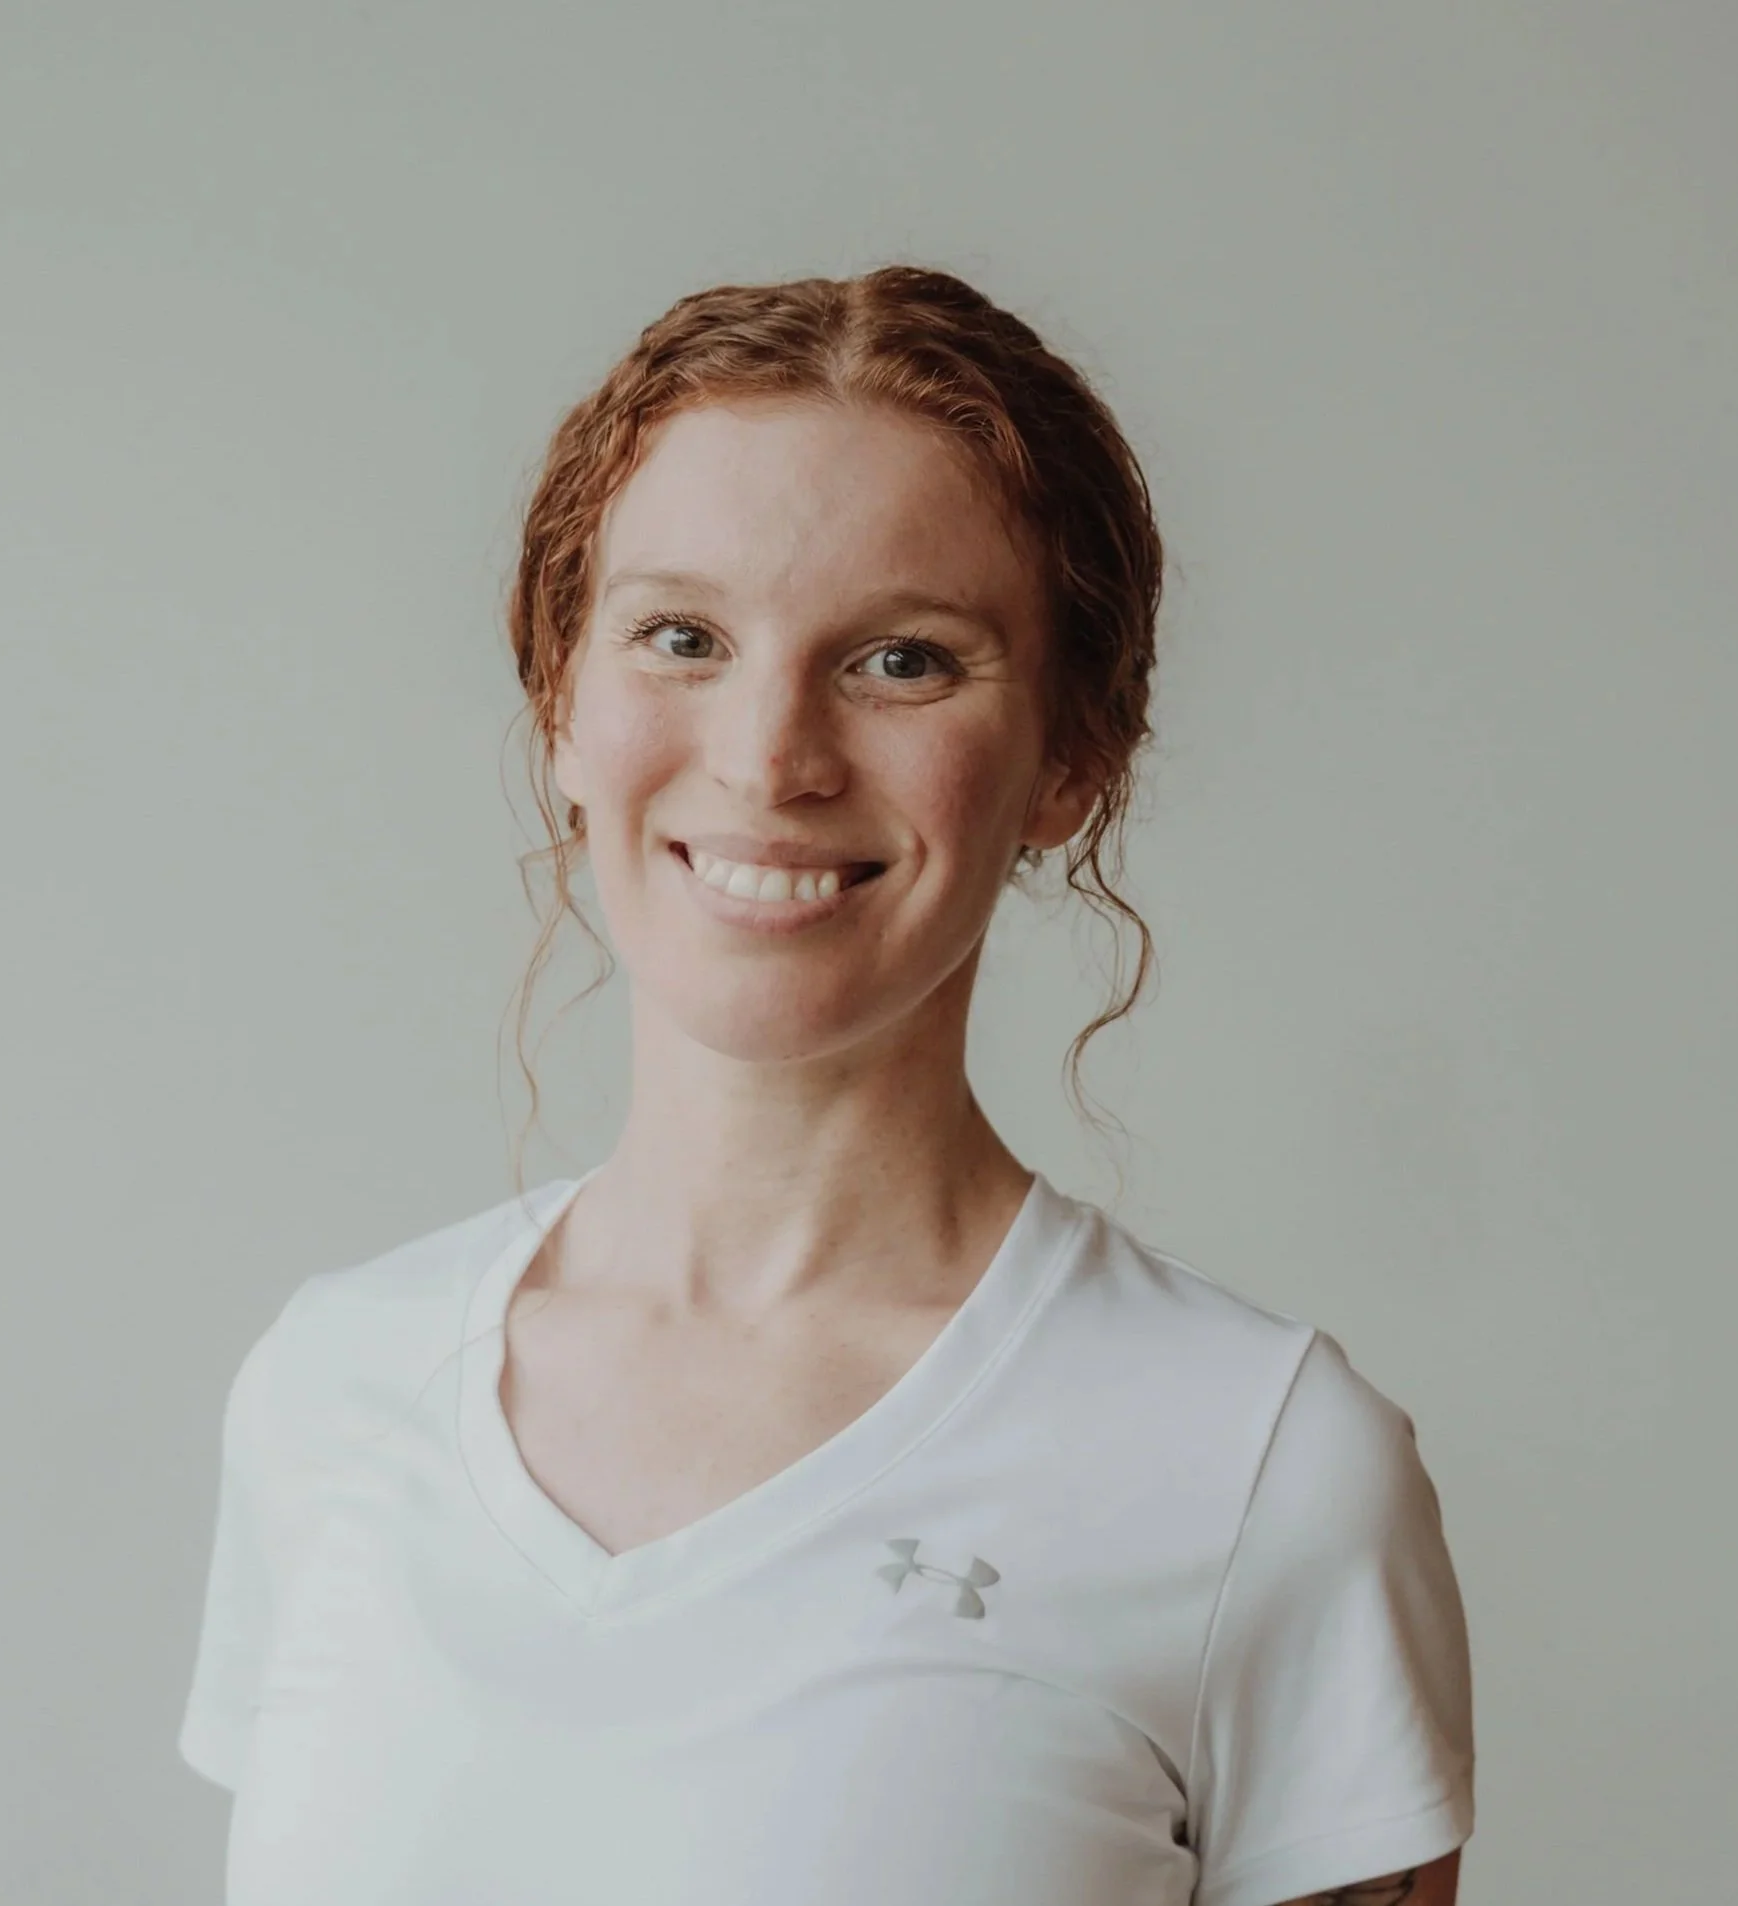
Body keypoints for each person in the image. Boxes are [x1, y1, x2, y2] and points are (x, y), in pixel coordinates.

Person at [178, 267, 1475, 1906]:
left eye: (902, 660)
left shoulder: (1257, 1467)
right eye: (682, 638)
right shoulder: (334, 1387)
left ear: (1072, 754)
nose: (769, 755)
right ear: (560, 697)